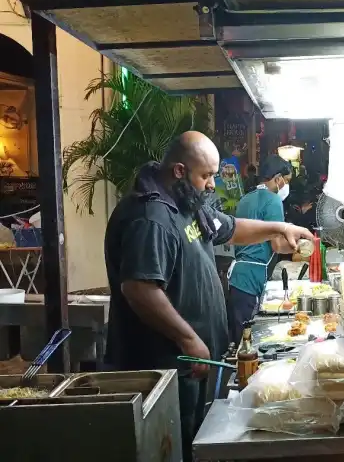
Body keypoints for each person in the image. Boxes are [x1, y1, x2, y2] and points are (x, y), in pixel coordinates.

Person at [103, 132, 312, 462]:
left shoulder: (185, 204)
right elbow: (139, 288)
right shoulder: (151, 219)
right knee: (175, 447)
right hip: (167, 366)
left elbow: (228, 227)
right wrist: (188, 339)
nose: (212, 183)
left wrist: (277, 229)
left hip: (191, 366)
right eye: (206, 175)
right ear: (178, 171)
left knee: (196, 442)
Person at [227, 155, 293, 344]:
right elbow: (277, 244)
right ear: (278, 178)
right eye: (286, 181)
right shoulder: (273, 200)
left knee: (240, 342)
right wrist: (300, 245)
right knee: (251, 344)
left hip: (238, 277)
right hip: (251, 278)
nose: (286, 186)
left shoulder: (245, 199)